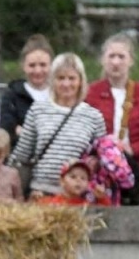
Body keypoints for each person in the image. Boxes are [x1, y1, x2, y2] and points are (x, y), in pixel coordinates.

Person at [84, 34, 139, 204]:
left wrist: (132, 149)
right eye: (111, 56)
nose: (116, 62)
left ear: (131, 61)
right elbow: (82, 134)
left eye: (121, 56)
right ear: (103, 60)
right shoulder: (90, 93)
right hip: (101, 179)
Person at [10, 52, 105, 199]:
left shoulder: (94, 116)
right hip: (41, 193)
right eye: (61, 78)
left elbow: (100, 160)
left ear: (81, 81)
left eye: (71, 78)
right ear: (52, 80)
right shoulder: (38, 110)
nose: (66, 84)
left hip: (77, 196)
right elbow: (22, 154)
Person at [1, 35, 53, 144]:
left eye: (43, 65)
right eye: (32, 65)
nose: (38, 70)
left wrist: (23, 131)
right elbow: (7, 129)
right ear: (23, 66)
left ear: (51, 66)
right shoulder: (11, 95)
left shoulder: (59, 94)